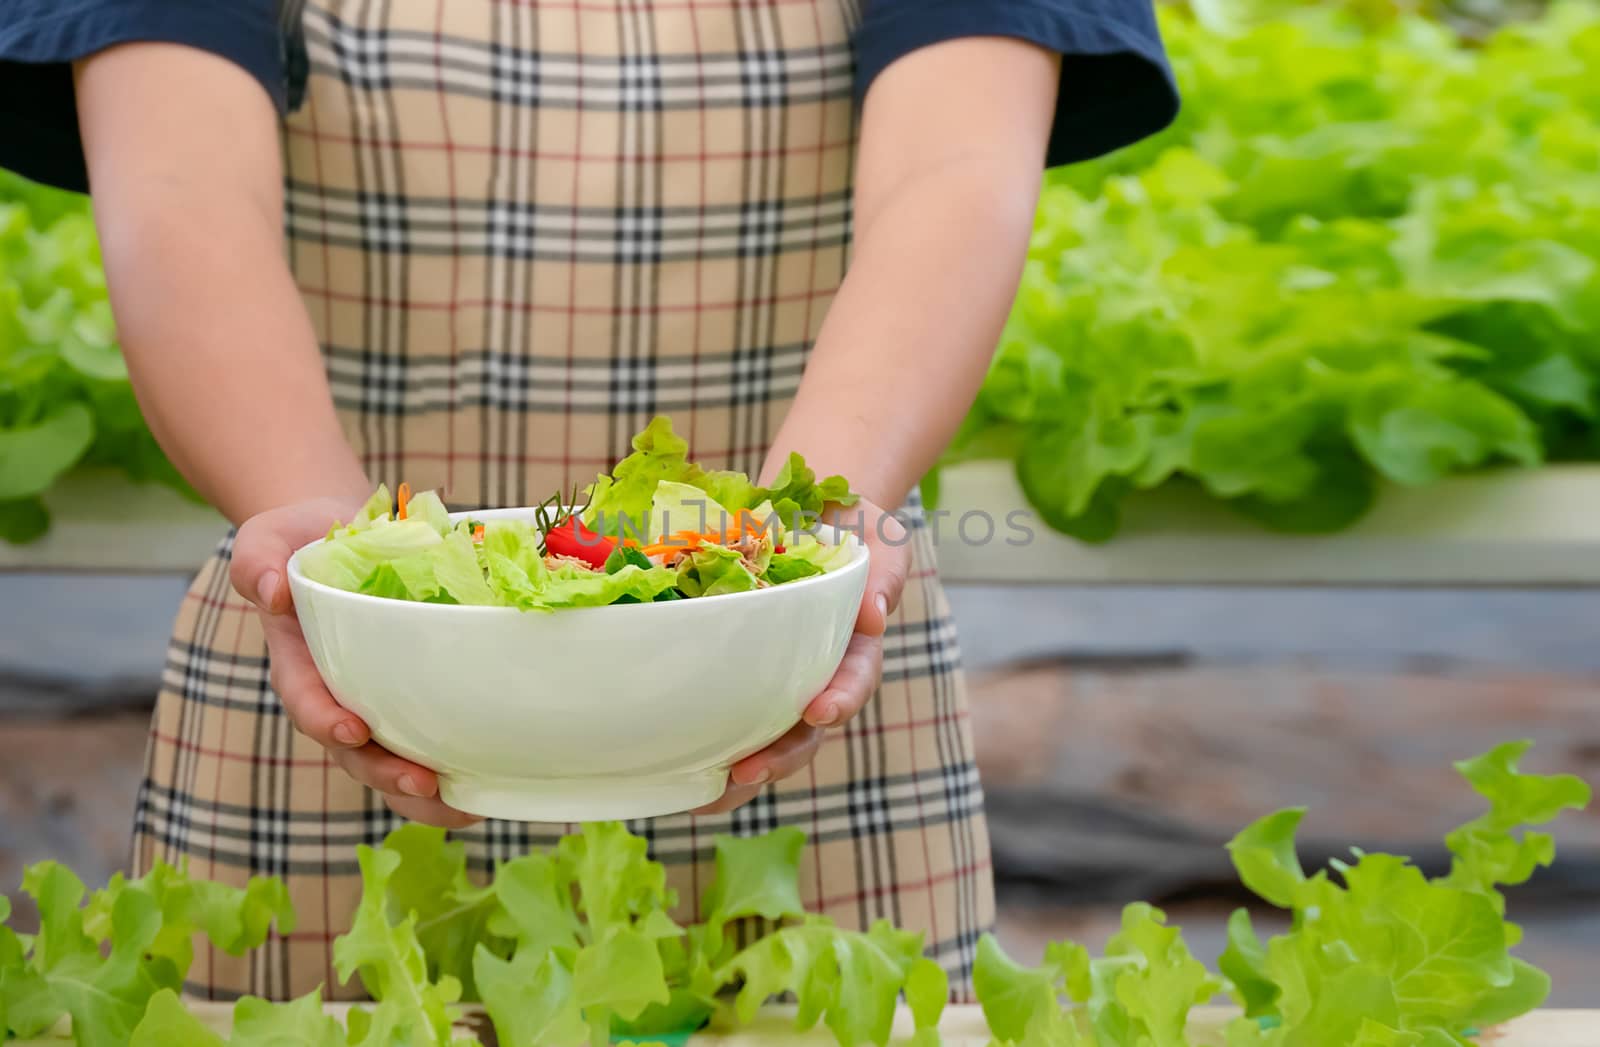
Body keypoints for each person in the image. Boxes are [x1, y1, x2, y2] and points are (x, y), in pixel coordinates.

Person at [0, 0, 1175, 1002]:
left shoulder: (796, 607)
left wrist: (797, 547)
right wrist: (340, 558)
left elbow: (954, 175)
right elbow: (179, 187)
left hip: (803, 692)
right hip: (332, 672)